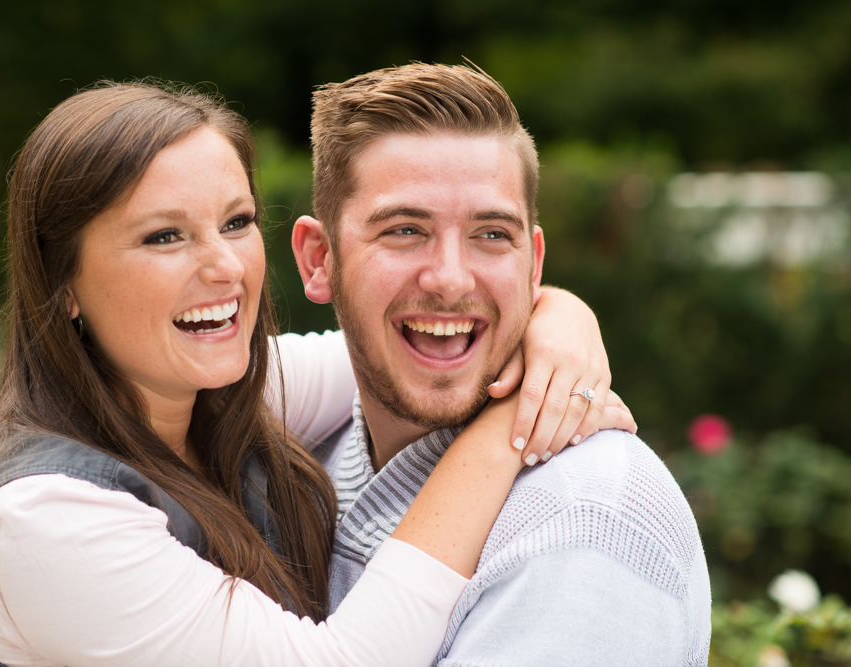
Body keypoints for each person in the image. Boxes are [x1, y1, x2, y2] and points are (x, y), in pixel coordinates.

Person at [0, 81, 631, 667]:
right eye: (164, 236)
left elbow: (416, 354)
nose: (226, 266)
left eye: (236, 222)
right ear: (63, 283)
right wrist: (511, 424)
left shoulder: (214, 394)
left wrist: (557, 315)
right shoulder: (42, 520)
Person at [292, 63, 712, 666]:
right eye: (406, 230)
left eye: (491, 235)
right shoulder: (303, 452)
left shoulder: (583, 521)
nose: (450, 280)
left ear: (534, 262)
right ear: (318, 259)